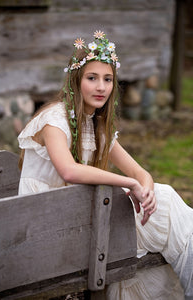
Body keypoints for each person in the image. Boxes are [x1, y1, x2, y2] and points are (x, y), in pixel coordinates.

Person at [18, 30, 193, 300]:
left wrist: (144, 190)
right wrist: (129, 183)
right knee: (169, 203)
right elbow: (69, 170)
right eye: (92, 78)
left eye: (108, 79)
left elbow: (139, 171)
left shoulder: (96, 126)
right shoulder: (55, 118)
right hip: (46, 227)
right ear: (76, 80)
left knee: (164, 198)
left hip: (80, 218)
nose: (101, 87)